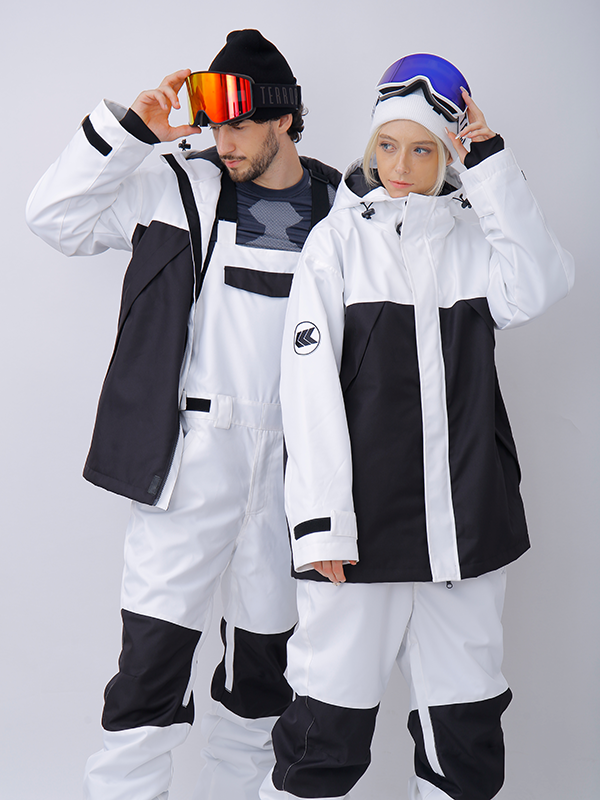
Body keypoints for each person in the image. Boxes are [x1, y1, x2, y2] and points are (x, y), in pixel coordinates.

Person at [26, 29, 341, 800]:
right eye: (216, 126)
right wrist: (133, 131)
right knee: (151, 664)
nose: (223, 142)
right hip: (193, 457)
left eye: (241, 126)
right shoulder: (174, 187)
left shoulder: (343, 207)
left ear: (285, 119)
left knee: (264, 673)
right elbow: (53, 216)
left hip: (297, 469)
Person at [260, 54, 574, 800]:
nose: (400, 167)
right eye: (388, 146)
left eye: (423, 149)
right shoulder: (338, 244)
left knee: (464, 744)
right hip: (358, 537)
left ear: (447, 156)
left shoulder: (474, 240)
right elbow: (307, 391)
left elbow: (542, 282)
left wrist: (490, 163)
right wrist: (322, 526)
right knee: (323, 740)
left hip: (464, 534)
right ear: (371, 147)